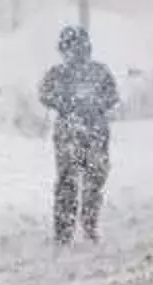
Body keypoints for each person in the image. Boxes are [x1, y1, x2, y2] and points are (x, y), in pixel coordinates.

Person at [38, 24, 119, 245]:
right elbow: (45, 95)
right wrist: (71, 105)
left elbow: (112, 96)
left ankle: (77, 227)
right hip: (79, 131)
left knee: (84, 181)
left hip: (84, 131)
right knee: (75, 181)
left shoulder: (96, 72)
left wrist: (87, 106)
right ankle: (73, 228)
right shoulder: (62, 74)